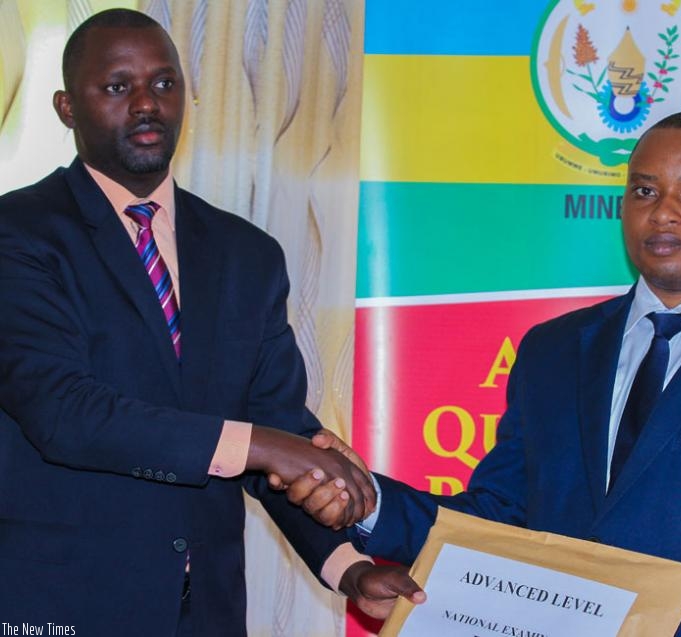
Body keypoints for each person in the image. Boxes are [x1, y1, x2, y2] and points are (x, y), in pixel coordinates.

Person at [289, 111, 681, 635]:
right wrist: (366, 499)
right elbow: (498, 518)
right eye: (643, 191)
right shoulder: (555, 350)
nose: (663, 212)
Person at [0, 8, 419, 636]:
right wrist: (267, 445)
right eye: (117, 86)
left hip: (207, 614)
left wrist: (349, 568)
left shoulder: (246, 253)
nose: (146, 103)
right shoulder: (19, 233)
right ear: (66, 108)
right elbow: (65, 413)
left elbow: (277, 430)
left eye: (164, 84)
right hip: (63, 606)